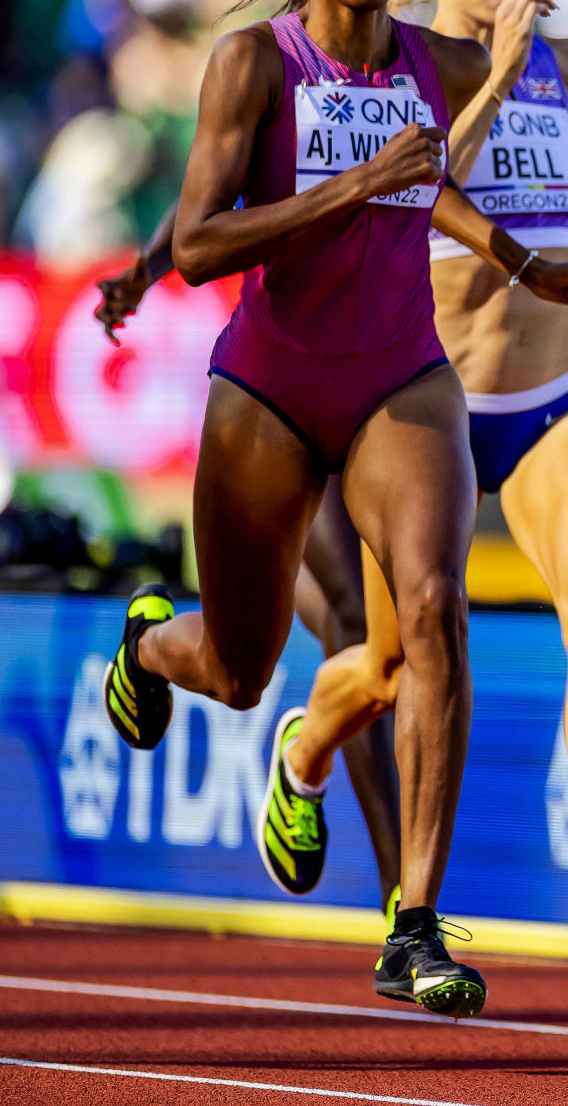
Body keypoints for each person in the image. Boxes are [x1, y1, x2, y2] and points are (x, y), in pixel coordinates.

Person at [97, 0, 568, 1018]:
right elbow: (200, 241)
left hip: (401, 377)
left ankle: (415, 922)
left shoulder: (438, 60)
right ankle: (150, 644)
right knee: (238, 669)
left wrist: (530, 266)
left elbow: (444, 179)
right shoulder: (253, 62)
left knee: (433, 609)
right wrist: (345, 189)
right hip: (272, 389)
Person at [263, 0, 568, 972]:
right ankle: (304, 749)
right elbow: (416, 182)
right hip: (423, 404)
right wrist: (495, 71)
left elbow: (551, 201)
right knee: (392, 668)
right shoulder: (400, 69)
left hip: (550, 395)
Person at [98, 220, 403, 914]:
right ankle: (149, 647)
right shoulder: (293, 138)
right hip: (289, 382)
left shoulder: (428, 143)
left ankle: (402, 904)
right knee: (256, 670)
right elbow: (206, 205)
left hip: (402, 369)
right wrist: (146, 270)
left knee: (396, 635)